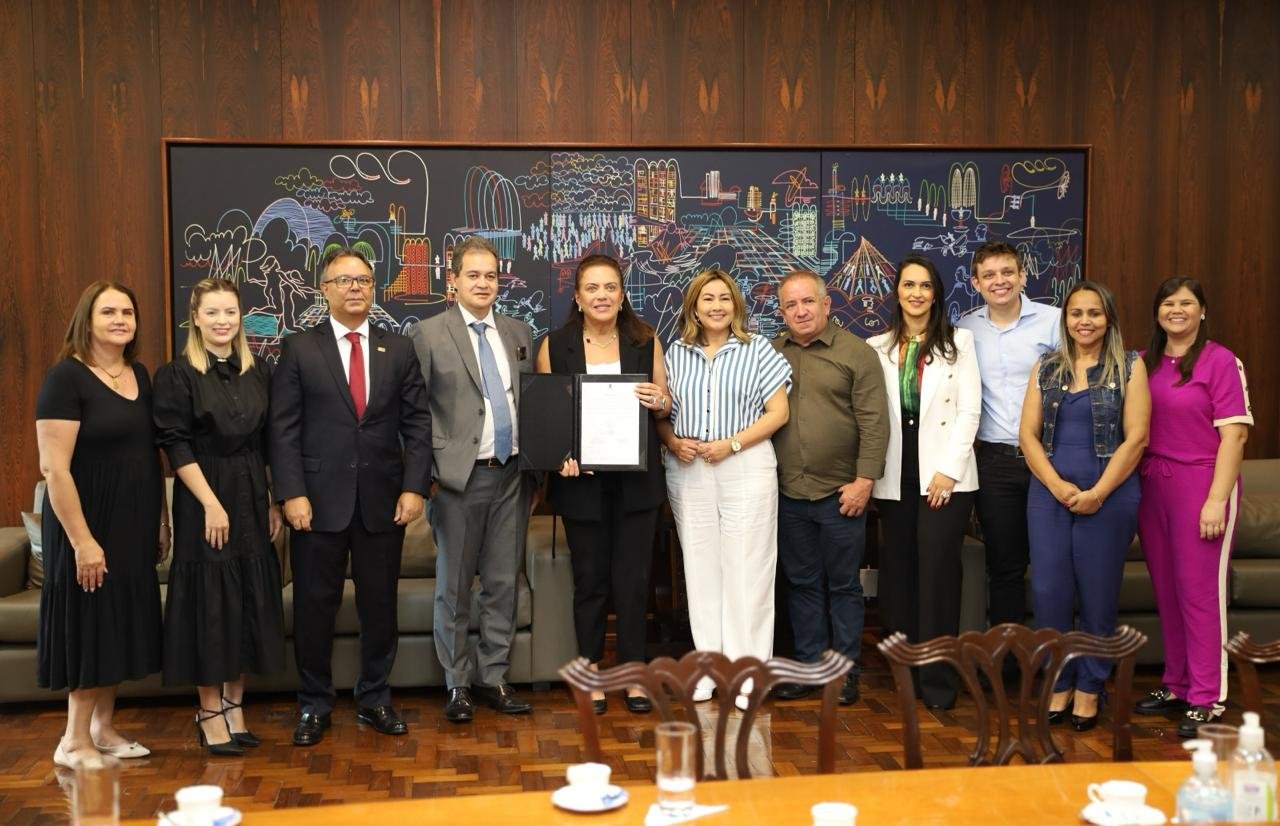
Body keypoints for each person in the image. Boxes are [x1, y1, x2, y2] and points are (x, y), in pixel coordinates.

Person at [269, 247, 432, 746]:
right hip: (316, 504)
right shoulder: (299, 348)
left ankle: (374, 699)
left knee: (379, 606)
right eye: (344, 280)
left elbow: (418, 424)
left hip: (384, 501)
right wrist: (290, 493)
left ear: (374, 287)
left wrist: (414, 487)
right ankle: (315, 704)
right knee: (315, 606)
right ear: (325, 290)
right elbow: (283, 430)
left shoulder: (397, 348)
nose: (355, 288)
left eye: (363, 279)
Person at [35, 281, 167, 768]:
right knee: (90, 622)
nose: (119, 319)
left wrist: (161, 518)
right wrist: (83, 542)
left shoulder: (140, 375)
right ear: (86, 319)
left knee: (117, 622)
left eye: (127, 312)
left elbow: (148, 455)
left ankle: (103, 729)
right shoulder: (65, 378)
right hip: (85, 522)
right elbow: (54, 468)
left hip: (133, 521)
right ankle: (72, 740)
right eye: (108, 311)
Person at [154, 278, 285, 756]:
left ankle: (235, 708)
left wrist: (271, 499)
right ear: (196, 318)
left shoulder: (258, 371)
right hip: (204, 494)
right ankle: (209, 714)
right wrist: (210, 503)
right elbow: (175, 443)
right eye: (212, 313)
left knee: (247, 599)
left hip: (251, 494)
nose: (223, 321)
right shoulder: (178, 374)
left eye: (230, 312)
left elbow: (268, 442)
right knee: (212, 606)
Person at [535, 254, 670, 715]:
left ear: (622, 293)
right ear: (577, 296)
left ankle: (633, 676)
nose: (602, 296)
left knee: (633, 582)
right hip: (582, 484)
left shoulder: (644, 339)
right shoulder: (555, 344)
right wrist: (561, 459)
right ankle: (590, 672)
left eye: (610, 287)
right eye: (592, 288)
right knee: (590, 582)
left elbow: (665, 405)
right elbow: (548, 417)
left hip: (637, 483)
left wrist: (659, 399)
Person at [410, 235, 536, 723]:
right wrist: (426, 479)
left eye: (491, 276)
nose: (483, 283)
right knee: (455, 588)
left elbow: (531, 399)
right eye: (473, 275)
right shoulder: (428, 334)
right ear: (454, 280)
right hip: (457, 480)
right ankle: (457, 683)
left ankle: (494, 677)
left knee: (502, 583)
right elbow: (415, 413)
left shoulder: (519, 331)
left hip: (513, 477)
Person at [657, 268, 791, 711]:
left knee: (748, 570)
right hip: (688, 470)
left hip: (746, 466)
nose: (716, 306)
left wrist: (731, 444)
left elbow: (778, 413)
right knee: (700, 570)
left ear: (736, 306)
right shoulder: (674, 354)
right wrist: (673, 442)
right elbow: (661, 415)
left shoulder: (758, 350)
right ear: (693, 306)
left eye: (725, 299)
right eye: (707, 298)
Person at [1020, 280, 1149, 732]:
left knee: (1097, 595)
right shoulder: (1047, 367)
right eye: (1076, 313)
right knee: (1050, 592)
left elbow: (1136, 439)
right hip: (1048, 495)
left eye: (1094, 313)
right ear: (1066, 319)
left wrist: (1097, 493)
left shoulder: (1129, 366)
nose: (1085, 321)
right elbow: (1027, 436)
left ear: (1108, 318)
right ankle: (1058, 681)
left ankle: (1091, 687)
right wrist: (1056, 485)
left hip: (1109, 497)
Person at [1132, 277, 1252, 737]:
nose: (1176, 310)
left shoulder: (1221, 361)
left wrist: (1217, 500)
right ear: (1158, 312)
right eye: (1168, 303)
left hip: (1203, 484)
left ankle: (1207, 696)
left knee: (1200, 593)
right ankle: (1177, 683)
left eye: (1186, 303)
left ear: (1202, 311)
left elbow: (1235, 436)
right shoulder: (1145, 363)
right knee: (1167, 589)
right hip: (1154, 484)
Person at [771, 270, 888, 706]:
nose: (800, 311)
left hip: (841, 494)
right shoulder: (770, 352)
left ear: (826, 304)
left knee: (843, 587)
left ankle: (845, 672)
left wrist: (863, 482)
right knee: (800, 584)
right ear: (781, 312)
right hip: (786, 492)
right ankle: (806, 669)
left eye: (808, 302)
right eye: (790, 305)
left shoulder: (856, 354)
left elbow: (876, 424)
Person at [868, 255, 980, 710]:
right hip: (894, 476)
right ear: (897, 291)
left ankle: (938, 683)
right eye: (908, 284)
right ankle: (904, 677)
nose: (916, 293)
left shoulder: (960, 342)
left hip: (944, 479)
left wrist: (948, 471)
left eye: (925, 286)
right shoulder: (876, 346)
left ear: (936, 294)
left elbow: (970, 411)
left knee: (936, 577)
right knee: (897, 577)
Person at [955, 242, 1060, 634]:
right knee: (1004, 565)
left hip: (1050, 458)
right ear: (976, 282)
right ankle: (1007, 662)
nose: (999, 281)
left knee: (1054, 562)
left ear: (1023, 276)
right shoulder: (965, 329)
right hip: (995, 462)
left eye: (1007, 272)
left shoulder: (1055, 322)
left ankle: (1056, 662)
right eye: (989, 275)